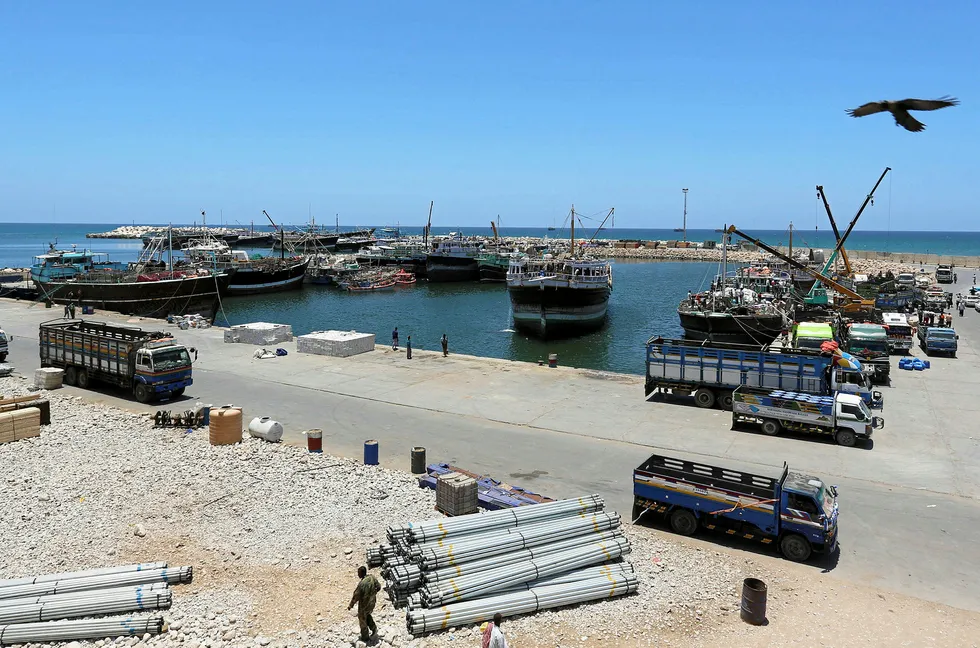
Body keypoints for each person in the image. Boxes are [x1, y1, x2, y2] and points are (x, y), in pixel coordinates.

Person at [347, 566, 381, 643]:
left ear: (362, 573)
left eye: (358, 573)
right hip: (372, 603)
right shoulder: (372, 578)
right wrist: (372, 594)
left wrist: (350, 605)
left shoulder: (362, 584)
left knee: (362, 620)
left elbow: (355, 596)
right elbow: (379, 587)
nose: (357, 574)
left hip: (363, 606)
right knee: (368, 615)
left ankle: (365, 638)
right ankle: (374, 628)